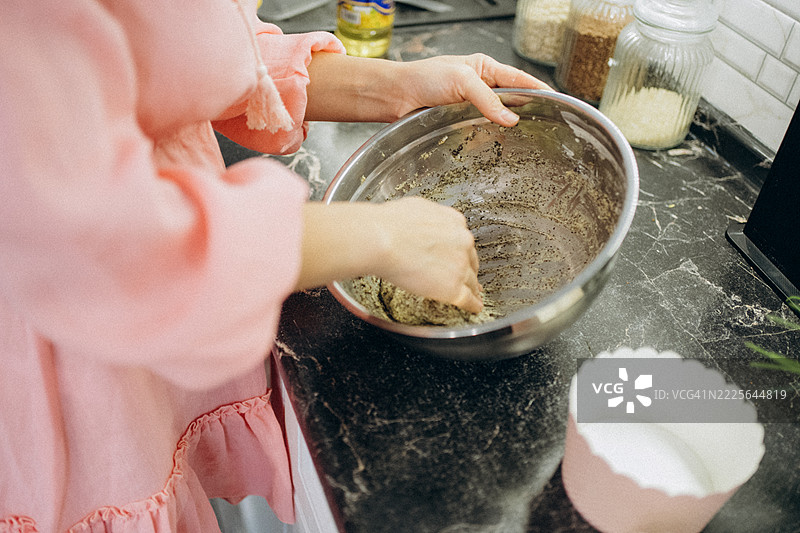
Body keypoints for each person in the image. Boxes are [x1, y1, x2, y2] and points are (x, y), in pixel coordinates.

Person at [0, 1, 549, 531]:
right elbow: (96, 241)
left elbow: (162, 53)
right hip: (64, 376)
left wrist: (393, 85)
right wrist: (382, 233)